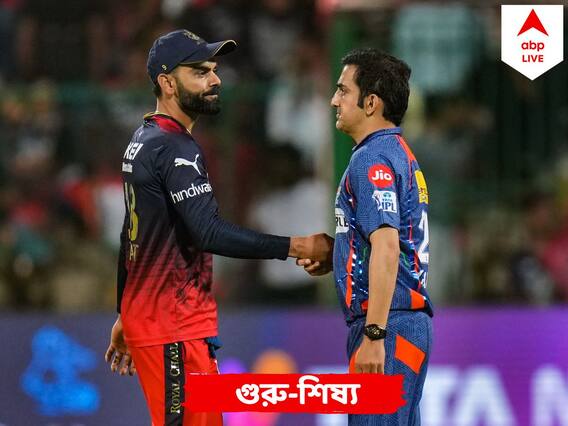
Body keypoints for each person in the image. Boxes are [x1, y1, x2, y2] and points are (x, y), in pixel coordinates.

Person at [103, 29, 333, 426]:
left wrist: (127, 310)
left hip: (163, 321)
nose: (215, 80)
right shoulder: (174, 147)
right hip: (173, 326)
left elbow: (133, 234)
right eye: (200, 72)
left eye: (213, 70)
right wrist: (299, 246)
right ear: (167, 83)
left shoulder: (143, 138)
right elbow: (207, 232)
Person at [300, 48, 433, 425]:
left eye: (343, 90)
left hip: (387, 324)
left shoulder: (371, 159)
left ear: (371, 103)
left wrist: (375, 335)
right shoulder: (396, 152)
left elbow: (388, 247)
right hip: (399, 323)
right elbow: (391, 241)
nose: (334, 100)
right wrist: (343, 253)